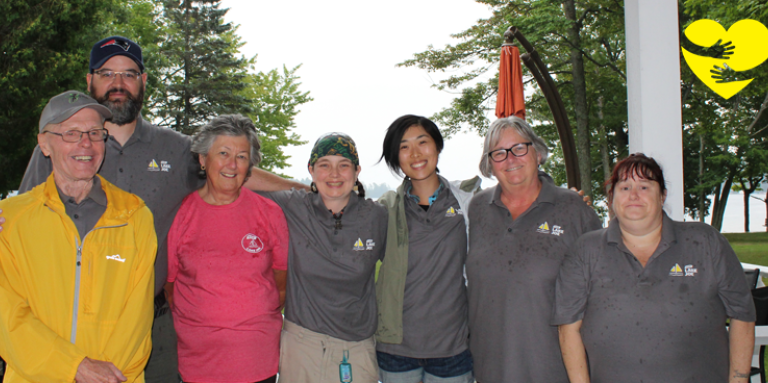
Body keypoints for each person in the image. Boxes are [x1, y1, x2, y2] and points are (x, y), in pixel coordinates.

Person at [13, 36, 303, 383]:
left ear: (144, 82)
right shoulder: (65, 149)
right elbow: (19, 221)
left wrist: (309, 188)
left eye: (129, 74)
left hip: (156, 323)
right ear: (89, 80)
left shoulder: (176, 148)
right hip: (67, 317)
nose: (118, 83)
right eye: (107, 73)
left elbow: (232, 171)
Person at [553, 153, 756, 383]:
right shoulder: (585, 250)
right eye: (625, 187)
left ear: (662, 196)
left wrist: (738, 380)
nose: (634, 195)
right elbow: (568, 329)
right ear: (611, 198)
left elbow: (743, 313)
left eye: (644, 186)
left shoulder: (705, 242)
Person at [0, 90, 155, 383]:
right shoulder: (9, 221)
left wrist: (103, 377)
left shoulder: (135, 217)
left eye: (95, 133)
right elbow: (7, 317)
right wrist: (75, 367)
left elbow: (137, 321)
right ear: (44, 144)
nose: (86, 143)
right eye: (71, 133)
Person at [465, 116, 602, 383]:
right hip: (488, 368)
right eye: (499, 153)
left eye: (519, 148)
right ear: (490, 165)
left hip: (555, 369)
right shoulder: (477, 208)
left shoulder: (573, 209)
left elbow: (602, 290)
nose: (510, 159)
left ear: (537, 153)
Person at [165, 114, 288, 383]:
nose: (232, 164)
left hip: (258, 360)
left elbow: (281, 284)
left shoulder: (268, 213)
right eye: (223, 153)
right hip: (199, 363)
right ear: (202, 159)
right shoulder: (181, 214)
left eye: (242, 156)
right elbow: (170, 287)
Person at [261, 133, 387, 383]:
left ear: (357, 170)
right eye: (324, 165)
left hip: (357, 350)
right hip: (301, 345)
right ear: (311, 169)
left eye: (344, 165)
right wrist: (299, 187)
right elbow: (240, 175)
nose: (334, 174)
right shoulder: (293, 206)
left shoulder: (377, 217)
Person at [375, 115, 480, 383]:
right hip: (396, 349)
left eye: (423, 142)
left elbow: (516, 207)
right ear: (395, 158)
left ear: (437, 146)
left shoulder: (469, 202)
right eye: (404, 147)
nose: (416, 153)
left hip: (453, 348)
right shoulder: (384, 209)